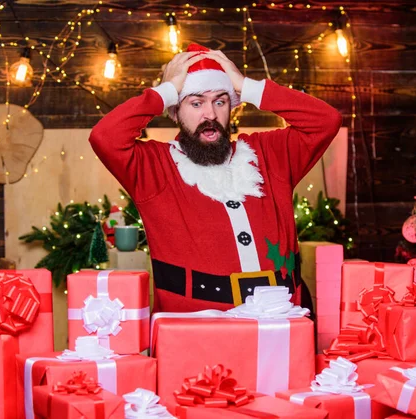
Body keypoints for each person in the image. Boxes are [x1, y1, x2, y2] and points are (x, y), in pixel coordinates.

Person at [89, 43, 342, 313]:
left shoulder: (270, 154)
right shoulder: (153, 166)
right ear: (176, 110)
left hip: (282, 324)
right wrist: (165, 92)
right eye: (196, 103)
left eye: (220, 101)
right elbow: (104, 137)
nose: (210, 115)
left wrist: (247, 87)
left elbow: (327, 120)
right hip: (194, 334)